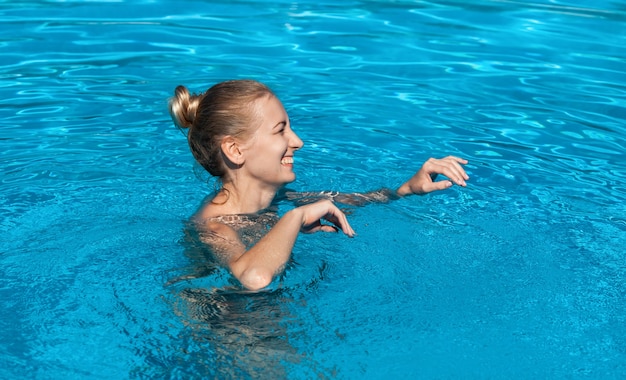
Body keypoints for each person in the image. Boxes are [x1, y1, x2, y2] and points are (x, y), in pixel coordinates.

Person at [169, 79, 469, 291]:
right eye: (280, 131)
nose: (298, 142)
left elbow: (350, 200)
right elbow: (254, 278)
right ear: (235, 150)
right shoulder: (214, 227)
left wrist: (404, 190)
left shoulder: (277, 197)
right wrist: (294, 218)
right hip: (224, 339)